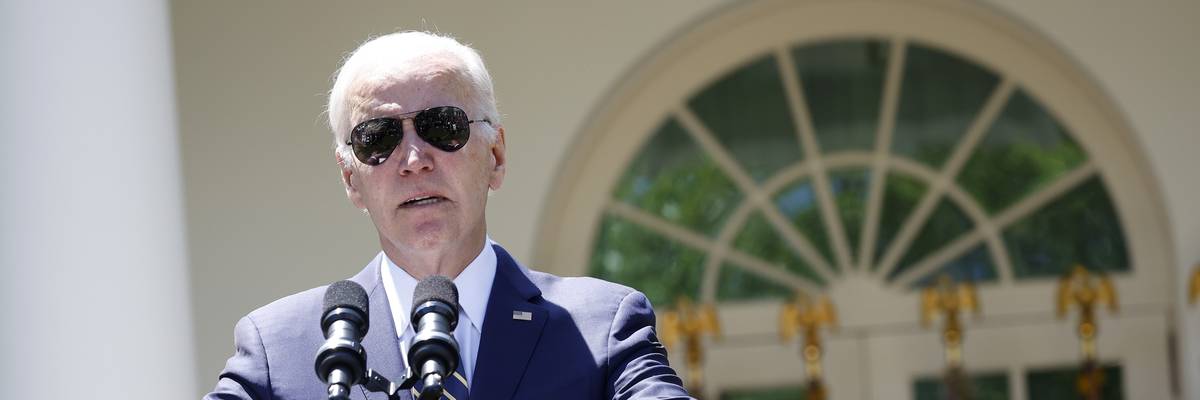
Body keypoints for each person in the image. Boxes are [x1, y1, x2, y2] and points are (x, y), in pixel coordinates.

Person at [205, 31, 692, 400]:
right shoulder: (280, 348)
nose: (414, 158)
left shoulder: (600, 328)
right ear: (351, 179)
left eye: (443, 126)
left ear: (495, 157)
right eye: (378, 138)